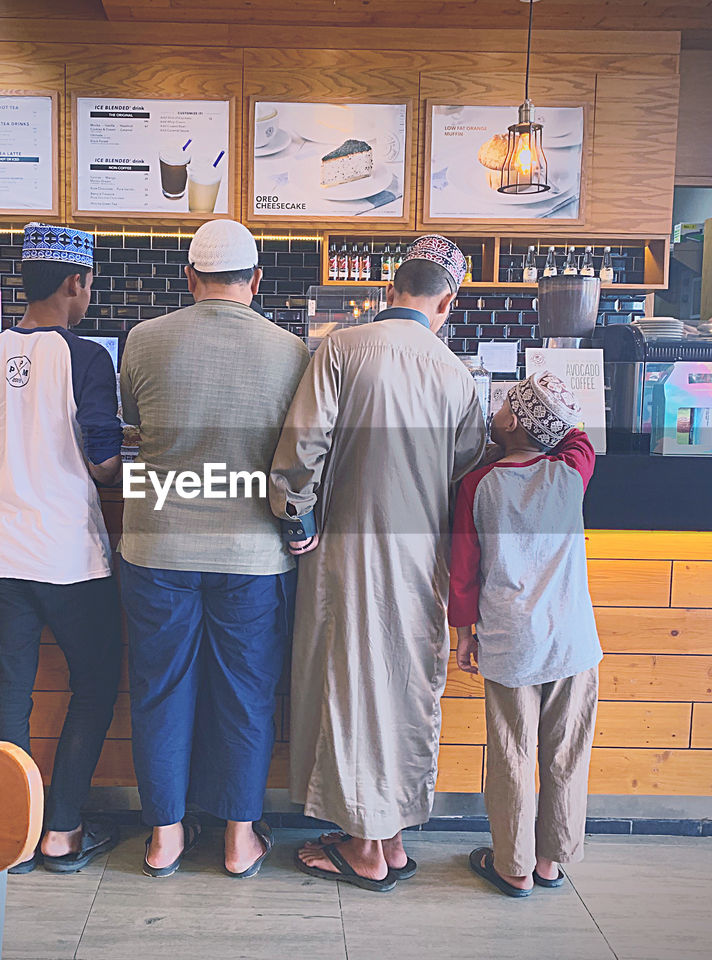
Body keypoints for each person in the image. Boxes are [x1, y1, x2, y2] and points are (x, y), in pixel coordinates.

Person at [269, 235, 487, 893]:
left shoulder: (339, 350)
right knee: (402, 688)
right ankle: (386, 837)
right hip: (420, 555)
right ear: (445, 300)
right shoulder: (456, 374)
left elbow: (300, 451)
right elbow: (467, 468)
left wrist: (295, 515)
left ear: (392, 286)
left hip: (346, 551)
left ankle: (363, 848)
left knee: (351, 685)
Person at [0, 222, 124, 876]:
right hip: (67, 554)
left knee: (9, 688)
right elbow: (104, 462)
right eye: (88, 285)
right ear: (75, 282)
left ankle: (14, 831)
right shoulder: (88, 358)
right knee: (96, 681)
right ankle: (62, 829)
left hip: (1, 550)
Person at [117, 219, 309, 879]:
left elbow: (134, 429)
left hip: (155, 546)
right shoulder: (293, 351)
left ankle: (165, 838)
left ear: (190, 279)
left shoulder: (141, 341)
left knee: (158, 691)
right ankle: (236, 841)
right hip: (252, 554)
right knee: (247, 694)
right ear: (256, 279)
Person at [449, 372, 602, 898]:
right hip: (573, 642)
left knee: (512, 751)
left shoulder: (477, 484)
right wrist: (552, 416)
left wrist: (464, 632)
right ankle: (550, 861)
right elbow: (580, 436)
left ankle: (511, 865)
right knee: (566, 753)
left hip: (511, 640)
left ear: (512, 421)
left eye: (505, 403)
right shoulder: (570, 471)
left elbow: (463, 569)